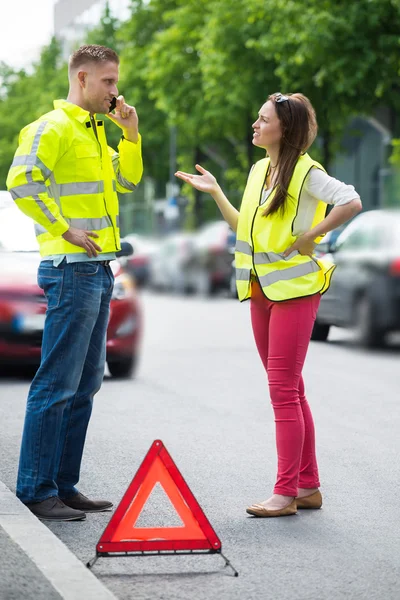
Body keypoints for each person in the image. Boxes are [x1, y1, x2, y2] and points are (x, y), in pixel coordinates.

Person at [175, 92, 362, 518]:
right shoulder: (260, 169)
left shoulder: (306, 171)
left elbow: (351, 200)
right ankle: (308, 486)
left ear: (285, 128)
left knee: (281, 390)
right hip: (261, 292)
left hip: (295, 291)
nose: (255, 126)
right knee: (291, 389)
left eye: (263, 120)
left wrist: (312, 234)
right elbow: (246, 228)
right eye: (257, 119)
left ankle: (285, 492)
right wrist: (217, 192)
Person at [6, 45, 143, 521]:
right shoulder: (52, 126)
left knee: (84, 384)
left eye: (115, 81)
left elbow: (128, 183)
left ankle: (63, 486)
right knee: (57, 383)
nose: (115, 90)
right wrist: (64, 229)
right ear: (82, 78)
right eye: (107, 82)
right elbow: (22, 180)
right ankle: (36, 489)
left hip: (99, 270)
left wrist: (130, 134)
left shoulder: (95, 135)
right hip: (70, 270)